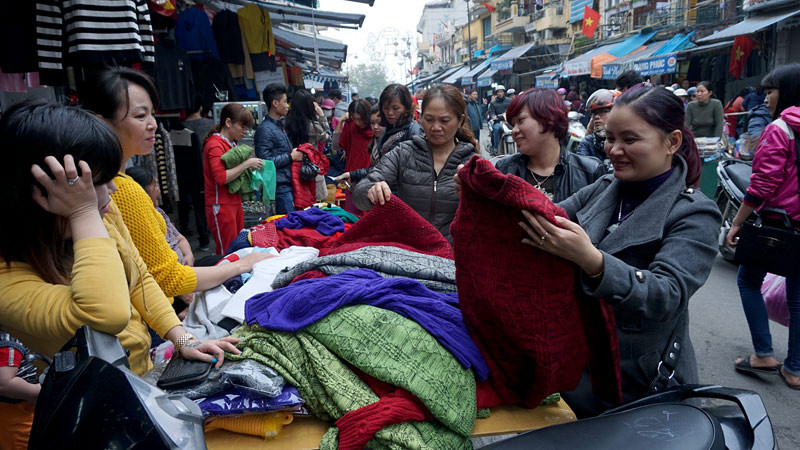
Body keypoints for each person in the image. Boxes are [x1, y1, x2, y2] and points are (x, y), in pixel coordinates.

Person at [0, 101, 241, 379]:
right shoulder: (8, 279)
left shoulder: (103, 214)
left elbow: (140, 279)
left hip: (140, 379)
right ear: (44, 191)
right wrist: (83, 212)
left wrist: (184, 340)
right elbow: (106, 314)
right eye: (97, 183)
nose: (113, 190)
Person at [518, 86, 720, 414]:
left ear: (672, 142)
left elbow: (666, 294)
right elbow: (545, 217)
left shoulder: (694, 213)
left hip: (640, 386)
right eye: (610, 138)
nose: (614, 150)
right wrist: (490, 192)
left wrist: (593, 261)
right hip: (582, 370)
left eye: (630, 139)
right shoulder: (605, 188)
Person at [81, 68, 270, 306]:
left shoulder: (117, 183)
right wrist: (242, 265)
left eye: (152, 114)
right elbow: (168, 279)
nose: (152, 124)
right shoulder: (123, 190)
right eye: (140, 116)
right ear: (103, 123)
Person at [726, 63, 800, 390]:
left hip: (777, 225)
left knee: (748, 281)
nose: (766, 98)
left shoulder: (780, 129)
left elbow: (762, 186)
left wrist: (737, 222)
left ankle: (764, 354)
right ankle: (794, 369)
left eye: (771, 91)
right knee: (798, 297)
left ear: (788, 92)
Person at [353, 84, 479, 242]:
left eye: (444, 120)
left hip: (454, 251)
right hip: (411, 249)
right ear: (420, 118)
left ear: (460, 120)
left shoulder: (472, 163)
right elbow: (359, 193)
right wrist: (371, 192)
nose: (436, 127)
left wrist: (474, 196)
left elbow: (488, 216)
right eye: (429, 119)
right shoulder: (403, 153)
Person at [496, 88, 606, 203]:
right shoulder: (504, 169)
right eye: (513, 125)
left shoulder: (590, 172)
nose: (514, 130)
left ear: (549, 119)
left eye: (521, 120)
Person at [203, 103, 262, 254]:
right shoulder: (215, 144)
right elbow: (221, 178)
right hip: (221, 204)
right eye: (242, 126)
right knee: (227, 252)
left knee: (236, 249)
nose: (245, 131)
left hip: (232, 202)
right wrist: (247, 164)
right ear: (228, 122)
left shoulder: (230, 143)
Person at [127, 166, 193, 266]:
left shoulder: (159, 212)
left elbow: (180, 239)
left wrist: (188, 255)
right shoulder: (139, 223)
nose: (159, 190)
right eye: (155, 186)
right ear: (141, 192)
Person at [255, 83, 304, 214]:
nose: (288, 105)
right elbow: (264, 161)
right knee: (289, 222)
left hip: (286, 183)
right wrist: (290, 157)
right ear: (275, 103)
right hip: (279, 187)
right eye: (285, 101)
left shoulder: (278, 126)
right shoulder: (265, 129)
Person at [0, 330, 39, 450]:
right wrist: (36, 392)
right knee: (20, 442)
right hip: (16, 409)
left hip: (10, 407)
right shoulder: (6, 344)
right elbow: (4, 384)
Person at [334, 99, 374, 214]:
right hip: (352, 178)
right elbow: (337, 146)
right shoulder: (351, 125)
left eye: (360, 119)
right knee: (351, 215)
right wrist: (340, 122)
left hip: (371, 177)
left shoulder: (376, 128)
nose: (358, 122)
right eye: (355, 119)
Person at [373, 83, 423, 162]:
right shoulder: (389, 128)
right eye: (385, 108)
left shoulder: (414, 132)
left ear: (406, 107)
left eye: (395, 108)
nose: (390, 113)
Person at [577, 89, 616, 162]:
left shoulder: (627, 139)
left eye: (603, 112)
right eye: (594, 114)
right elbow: (581, 164)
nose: (596, 117)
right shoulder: (588, 142)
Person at [488, 85, 512, 154]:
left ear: (504, 92)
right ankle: (495, 148)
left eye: (501, 91)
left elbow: (512, 109)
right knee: (496, 129)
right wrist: (493, 116)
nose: (500, 93)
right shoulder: (493, 103)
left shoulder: (509, 101)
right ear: (496, 93)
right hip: (498, 122)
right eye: (498, 92)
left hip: (508, 121)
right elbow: (491, 112)